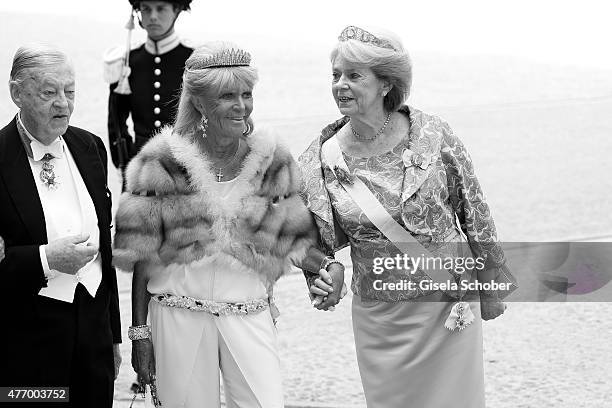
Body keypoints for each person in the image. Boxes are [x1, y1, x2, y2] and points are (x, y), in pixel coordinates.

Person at [299, 26, 517, 408]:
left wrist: (491, 283)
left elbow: (474, 209)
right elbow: (310, 242)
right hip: (383, 318)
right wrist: (325, 275)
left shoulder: (433, 134)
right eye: (335, 75)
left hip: (450, 303)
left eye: (353, 75)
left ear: (385, 84)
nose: (340, 85)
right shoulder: (319, 160)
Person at [112, 41, 331, 408]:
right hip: (176, 315)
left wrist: (329, 266)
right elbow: (142, 258)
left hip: (250, 312)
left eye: (247, 94)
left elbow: (293, 240)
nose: (241, 105)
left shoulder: (271, 159)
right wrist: (140, 335)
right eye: (227, 96)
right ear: (199, 102)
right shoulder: (161, 161)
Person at [0, 45, 121, 408]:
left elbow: (107, 249)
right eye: (49, 93)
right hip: (25, 347)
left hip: (94, 338)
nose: (63, 104)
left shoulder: (90, 147)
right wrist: (44, 259)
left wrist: (113, 335)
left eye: (70, 92)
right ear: (16, 93)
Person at [104, 0, 194, 175]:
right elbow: (116, 122)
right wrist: (127, 163)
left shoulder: (193, 59)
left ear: (176, 10)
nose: (153, 17)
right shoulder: (127, 61)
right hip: (139, 169)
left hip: (186, 170)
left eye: (161, 9)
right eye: (146, 9)